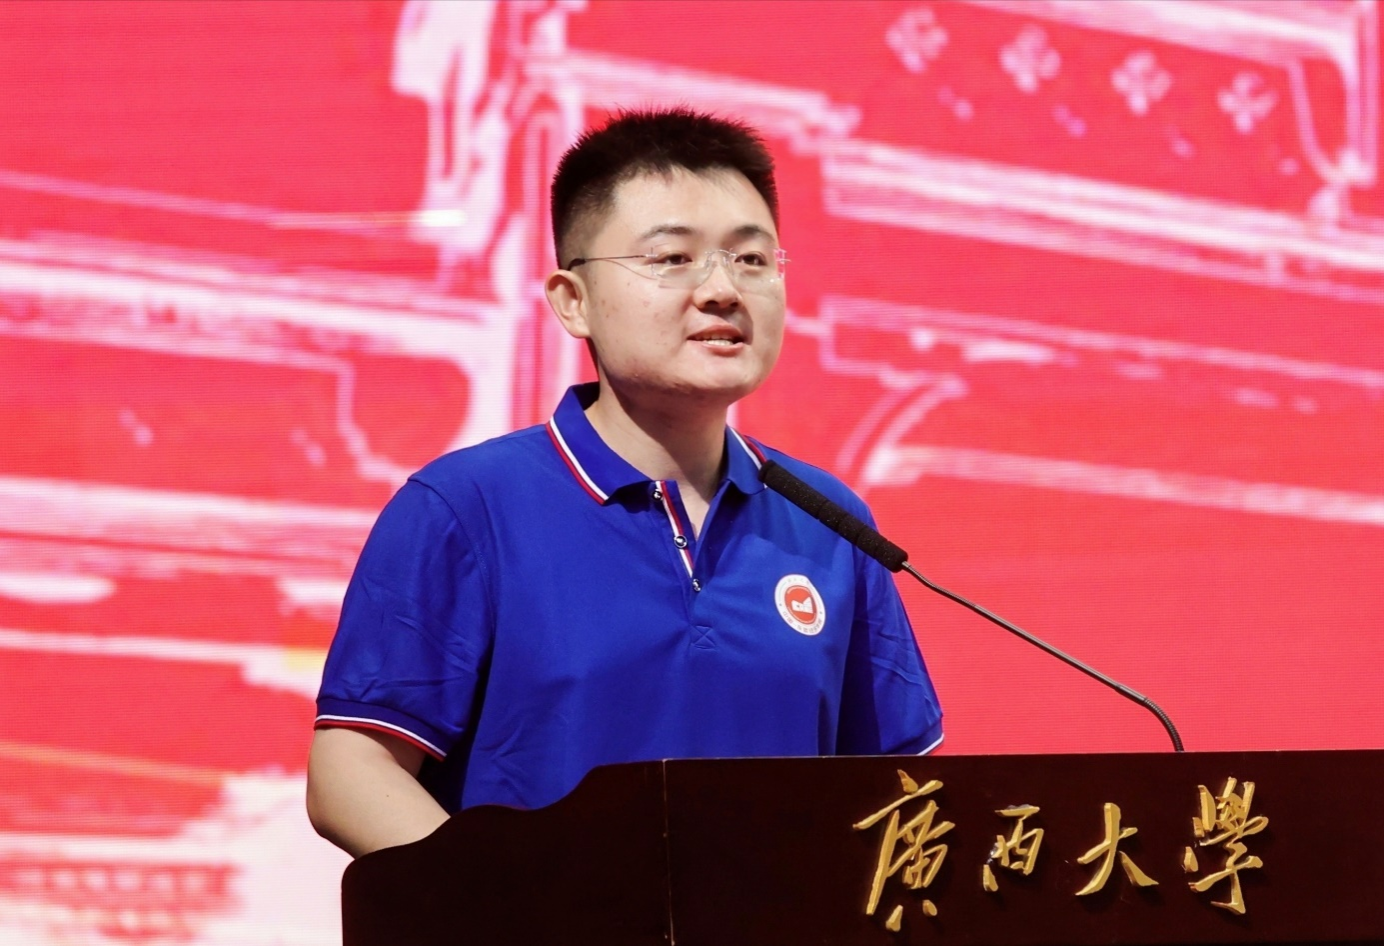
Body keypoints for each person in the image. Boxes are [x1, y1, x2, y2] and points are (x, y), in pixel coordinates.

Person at [306, 108, 943, 858]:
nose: (722, 290)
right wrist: (511, 910)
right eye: (673, 258)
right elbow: (353, 773)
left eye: (751, 259)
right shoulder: (467, 508)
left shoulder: (830, 524)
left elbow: (899, 796)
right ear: (572, 300)